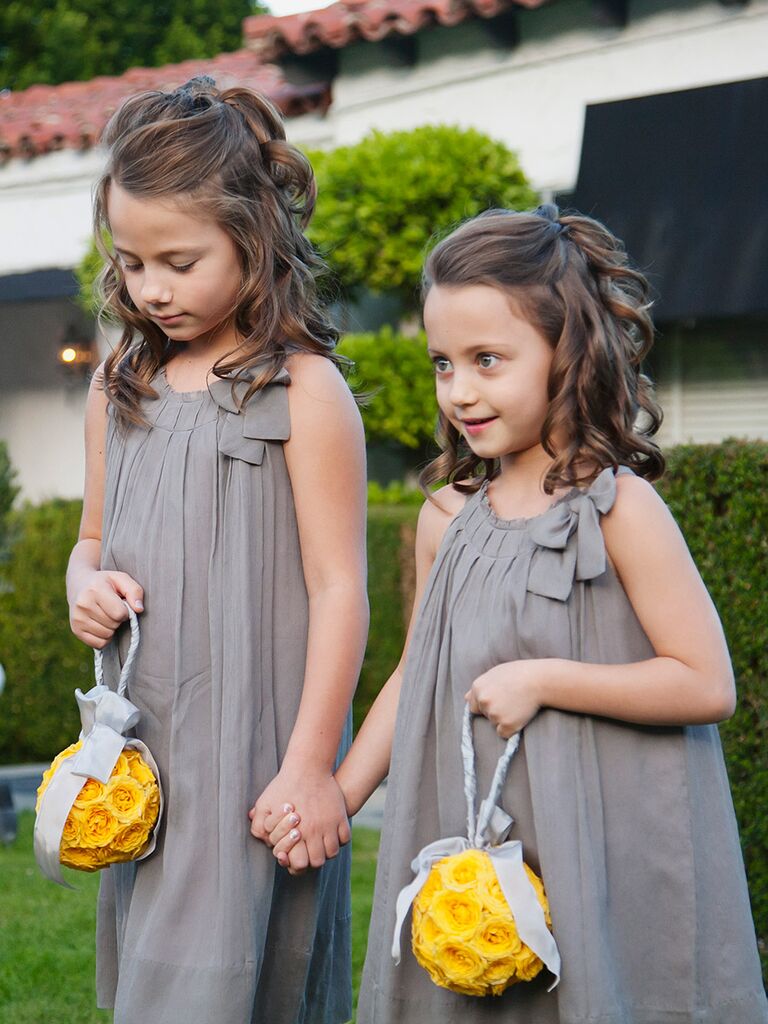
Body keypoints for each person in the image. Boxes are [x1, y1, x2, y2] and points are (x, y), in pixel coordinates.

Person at [266, 206, 768, 1023]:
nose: (459, 391)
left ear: (566, 353)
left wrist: (547, 679)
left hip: (603, 842)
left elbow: (706, 683)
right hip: (478, 838)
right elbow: (414, 675)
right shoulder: (446, 518)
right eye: (442, 364)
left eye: (488, 360)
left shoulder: (620, 510)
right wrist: (336, 795)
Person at [66, 76, 368, 1024]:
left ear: (255, 238)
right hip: (148, 745)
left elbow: (340, 590)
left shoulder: (305, 391)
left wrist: (311, 766)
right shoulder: (119, 384)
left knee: (249, 977)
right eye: (133, 261)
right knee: (155, 976)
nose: (152, 288)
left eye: (180, 260)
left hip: (258, 749)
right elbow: (88, 539)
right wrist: (83, 585)